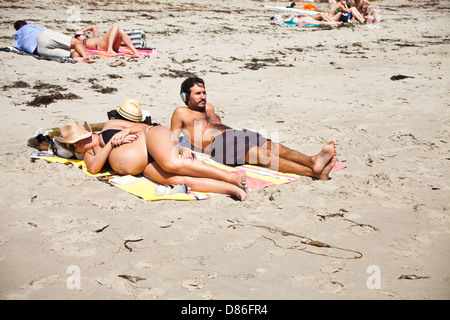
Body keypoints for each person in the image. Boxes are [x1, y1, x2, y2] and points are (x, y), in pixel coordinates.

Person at [56, 100, 248, 200]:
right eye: (74, 146)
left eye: (79, 139)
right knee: (178, 179)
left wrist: (127, 131)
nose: (79, 145)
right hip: (144, 166)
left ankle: (229, 176)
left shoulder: (110, 124)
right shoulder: (91, 155)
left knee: (171, 164)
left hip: (150, 138)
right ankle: (230, 189)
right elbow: (95, 169)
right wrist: (111, 145)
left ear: (86, 132)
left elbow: (142, 126)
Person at [170, 77, 337, 181]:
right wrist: (181, 149)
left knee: (277, 147)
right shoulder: (181, 112)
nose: (203, 97)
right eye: (198, 94)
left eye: (204, 93)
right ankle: (312, 173)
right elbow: (171, 138)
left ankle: (312, 161)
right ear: (185, 97)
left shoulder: (210, 108)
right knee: (266, 156)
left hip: (237, 134)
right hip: (220, 145)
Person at [13, 20, 95, 63]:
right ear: (25, 24)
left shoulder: (17, 37)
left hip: (38, 50)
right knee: (76, 42)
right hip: (43, 36)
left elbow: (20, 48)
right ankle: (86, 57)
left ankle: (77, 59)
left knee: (71, 53)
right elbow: (44, 30)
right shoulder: (29, 26)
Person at [74, 24, 139, 56]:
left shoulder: (94, 37)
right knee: (116, 26)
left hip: (106, 44)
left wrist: (82, 31)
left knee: (120, 31)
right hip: (100, 46)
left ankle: (135, 52)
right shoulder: (81, 43)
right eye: (77, 36)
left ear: (85, 35)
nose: (79, 36)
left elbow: (93, 26)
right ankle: (110, 49)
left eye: (80, 35)